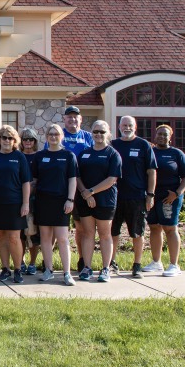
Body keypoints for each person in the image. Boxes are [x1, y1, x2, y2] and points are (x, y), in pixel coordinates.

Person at [75, 120, 123, 283]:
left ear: (108, 133)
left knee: (104, 234)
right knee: (87, 233)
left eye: (102, 132)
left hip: (105, 200)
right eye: (95, 131)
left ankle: (105, 268)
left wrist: (91, 192)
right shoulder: (84, 154)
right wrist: (86, 194)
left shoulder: (113, 154)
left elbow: (112, 179)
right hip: (85, 200)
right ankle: (87, 267)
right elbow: (77, 176)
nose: (98, 134)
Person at [111, 115, 158, 278]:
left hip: (137, 197)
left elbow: (151, 172)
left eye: (130, 125)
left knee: (137, 233)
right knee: (113, 232)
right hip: (115, 197)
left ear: (135, 127)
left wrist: (150, 195)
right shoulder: (113, 145)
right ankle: (111, 263)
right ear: (119, 127)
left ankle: (137, 265)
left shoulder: (143, 145)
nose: (127, 128)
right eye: (124, 125)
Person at [31, 124, 78, 286]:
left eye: (56, 134)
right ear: (46, 136)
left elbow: (72, 180)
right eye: (50, 134)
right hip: (43, 201)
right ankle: (48, 270)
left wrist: (70, 199)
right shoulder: (40, 156)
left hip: (61, 202)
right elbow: (34, 181)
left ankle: (67, 273)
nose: (53, 137)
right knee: (45, 238)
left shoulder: (68, 156)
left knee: (62, 238)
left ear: (61, 137)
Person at [144, 125, 185, 277]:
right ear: (155, 135)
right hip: (152, 196)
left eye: (165, 134)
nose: (162, 137)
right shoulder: (150, 152)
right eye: (159, 134)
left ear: (170, 137)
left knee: (170, 228)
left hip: (170, 197)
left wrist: (177, 193)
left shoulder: (176, 154)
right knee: (154, 227)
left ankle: (174, 265)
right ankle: (156, 262)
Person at [0, 126, 31, 283]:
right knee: (1, 236)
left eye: (10, 138)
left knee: (14, 237)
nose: (6, 140)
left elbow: (26, 182)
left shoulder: (19, 157)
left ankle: (18, 269)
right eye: (4, 137)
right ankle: (5, 269)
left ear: (14, 141)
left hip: (15, 203)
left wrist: (25, 203)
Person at [61, 105, 94, 274]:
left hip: (82, 189)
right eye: (69, 116)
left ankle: (82, 259)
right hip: (61, 188)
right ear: (64, 119)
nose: (72, 119)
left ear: (80, 119)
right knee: (57, 227)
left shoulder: (88, 137)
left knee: (81, 227)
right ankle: (48, 262)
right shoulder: (58, 136)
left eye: (75, 116)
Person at [19, 127, 42, 276]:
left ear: (35, 141)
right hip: (18, 199)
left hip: (35, 200)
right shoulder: (18, 156)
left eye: (31, 139)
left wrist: (28, 192)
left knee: (34, 234)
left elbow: (37, 178)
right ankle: (20, 262)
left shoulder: (39, 156)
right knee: (20, 233)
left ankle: (32, 263)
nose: (28, 142)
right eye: (25, 139)